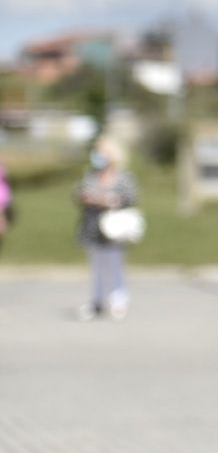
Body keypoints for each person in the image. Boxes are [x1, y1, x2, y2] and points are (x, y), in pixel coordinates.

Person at [73, 136, 138, 320]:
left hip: (113, 226)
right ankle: (98, 301)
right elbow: (78, 192)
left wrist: (110, 200)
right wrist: (86, 197)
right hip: (92, 224)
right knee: (97, 265)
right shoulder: (91, 174)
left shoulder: (123, 177)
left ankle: (119, 299)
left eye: (102, 152)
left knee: (115, 263)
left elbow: (131, 197)